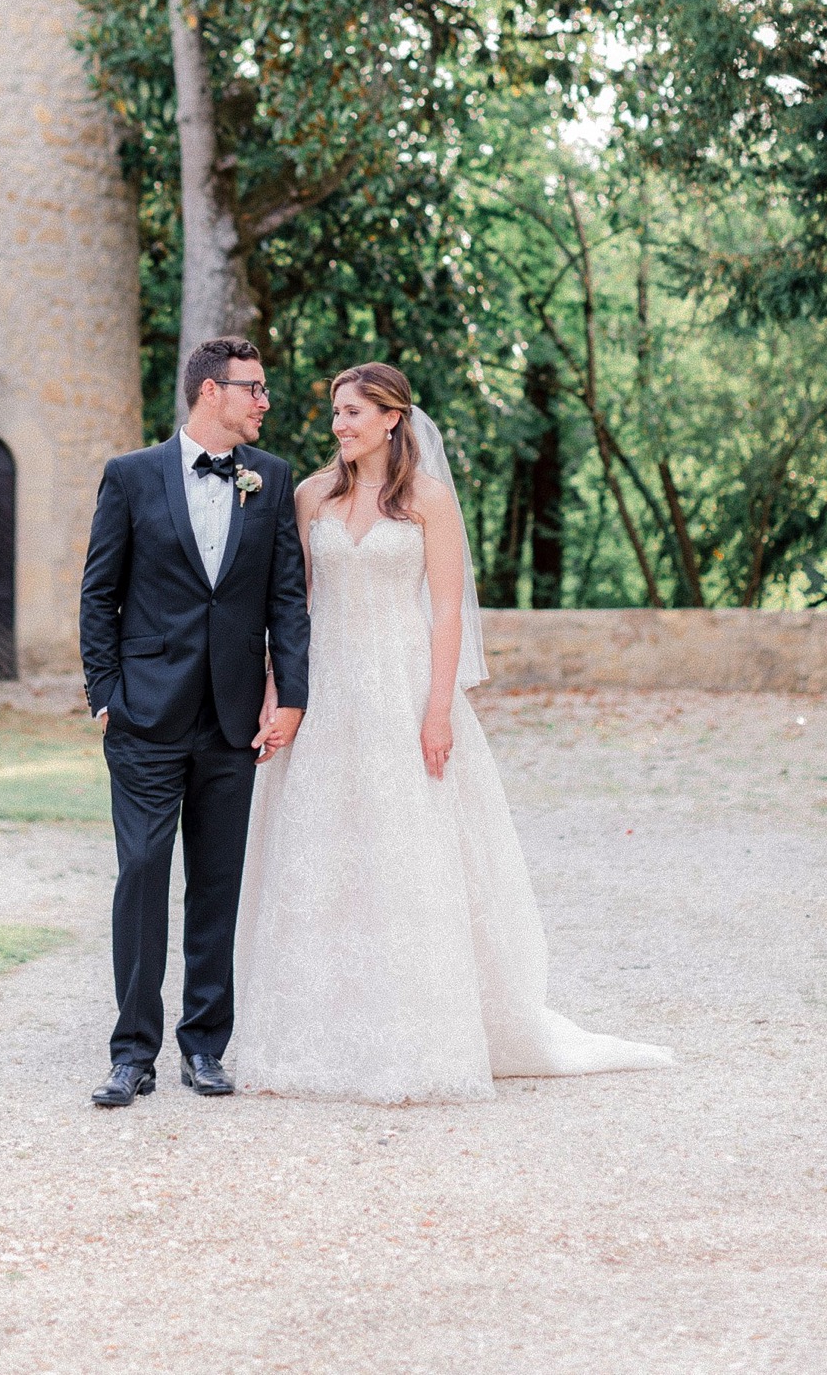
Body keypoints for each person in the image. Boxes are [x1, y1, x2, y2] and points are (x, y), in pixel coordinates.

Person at [228, 362, 674, 1102]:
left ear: (392, 418)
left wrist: (437, 710)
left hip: (403, 689)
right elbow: (292, 607)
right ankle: (314, 1029)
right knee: (321, 851)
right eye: (336, 413)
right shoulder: (311, 496)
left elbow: (444, 613)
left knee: (409, 849)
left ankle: (416, 1030)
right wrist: (280, 694)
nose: (340, 425)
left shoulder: (430, 501)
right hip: (328, 692)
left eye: (353, 413)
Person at [79, 336, 310, 1108]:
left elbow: (286, 600)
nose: (264, 402)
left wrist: (291, 698)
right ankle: (131, 1052)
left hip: (233, 721)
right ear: (211, 392)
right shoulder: (131, 476)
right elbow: (98, 592)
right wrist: (105, 690)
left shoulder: (271, 481)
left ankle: (205, 1047)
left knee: (216, 885)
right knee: (142, 875)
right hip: (145, 715)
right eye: (254, 389)